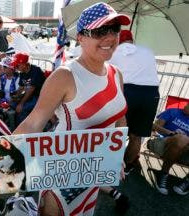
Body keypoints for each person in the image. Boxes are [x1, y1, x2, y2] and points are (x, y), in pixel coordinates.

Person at [13, 2, 130, 215]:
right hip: (64, 168)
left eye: (115, 29)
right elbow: (33, 122)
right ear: (81, 37)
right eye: (100, 30)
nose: (110, 37)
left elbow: (120, 120)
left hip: (95, 167)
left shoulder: (117, 73)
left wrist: (116, 152)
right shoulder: (65, 76)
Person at [109, 30, 160, 174]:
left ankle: (110, 165)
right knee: (136, 135)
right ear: (132, 40)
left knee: (117, 131)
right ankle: (127, 166)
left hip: (128, 92)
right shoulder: (147, 51)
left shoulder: (115, 51)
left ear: (118, 40)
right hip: (151, 94)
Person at [147, 104, 189, 195]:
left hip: (185, 150)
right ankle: (163, 173)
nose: (186, 106)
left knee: (184, 140)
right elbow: (154, 126)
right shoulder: (173, 112)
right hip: (164, 141)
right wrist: (171, 133)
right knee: (182, 139)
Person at [10, 52, 45, 124]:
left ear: (24, 64)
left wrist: (21, 103)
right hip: (31, 96)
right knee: (12, 104)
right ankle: (17, 124)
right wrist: (16, 95)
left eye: (17, 65)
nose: (16, 67)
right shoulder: (22, 72)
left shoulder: (36, 70)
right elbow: (21, 87)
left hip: (40, 96)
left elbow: (31, 89)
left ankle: (25, 129)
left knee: (22, 108)